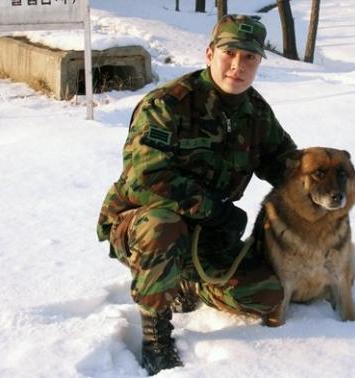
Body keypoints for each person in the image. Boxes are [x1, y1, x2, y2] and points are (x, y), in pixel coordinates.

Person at [96, 14, 296, 375]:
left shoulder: (256, 113)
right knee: (163, 223)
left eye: (249, 57)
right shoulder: (168, 104)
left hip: (205, 236)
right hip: (141, 226)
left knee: (266, 294)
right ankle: (156, 334)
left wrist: (320, 177)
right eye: (229, 52)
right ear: (209, 54)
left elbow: (285, 164)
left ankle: (187, 281)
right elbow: (144, 178)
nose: (238, 65)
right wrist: (214, 209)